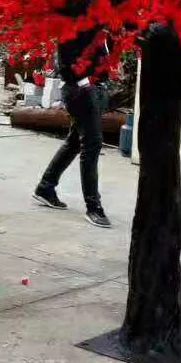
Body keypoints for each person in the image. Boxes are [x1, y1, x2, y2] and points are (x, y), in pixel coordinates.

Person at [33, 27, 112, 227]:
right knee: (92, 144)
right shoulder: (75, 23)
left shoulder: (101, 27)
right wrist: (83, 83)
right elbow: (65, 61)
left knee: (75, 142)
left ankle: (45, 186)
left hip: (94, 90)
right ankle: (93, 206)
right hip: (81, 91)